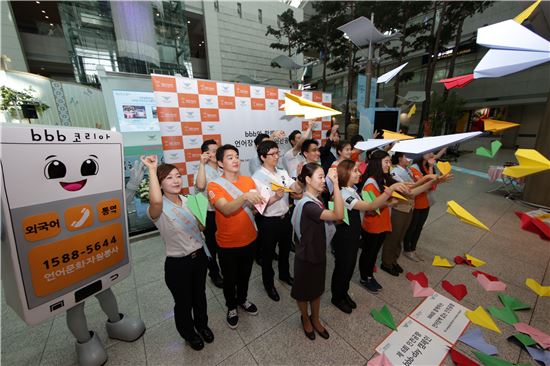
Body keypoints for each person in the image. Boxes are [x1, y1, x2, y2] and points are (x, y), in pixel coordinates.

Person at [142, 155, 213, 350]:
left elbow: (201, 228)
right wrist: (151, 169)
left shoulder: (190, 200)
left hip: (199, 258)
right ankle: (189, 333)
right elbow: (156, 201)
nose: (175, 181)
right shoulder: (158, 209)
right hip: (177, 264)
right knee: (183, 303)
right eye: (169, 178)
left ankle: (202, 325)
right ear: (160, 183)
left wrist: (201, 219)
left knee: (200, 295)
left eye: (177, 176)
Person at [331, 160, 410, 312]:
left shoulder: (352, 189)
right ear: (345, 173)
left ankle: (344, 293)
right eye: (355, 170)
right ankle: (337, 297)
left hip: (353, 235)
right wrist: (389, 190)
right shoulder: (342, 193)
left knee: (349, 268)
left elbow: (372, 205)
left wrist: (386, 203)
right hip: (344, 238)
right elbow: (370, 206)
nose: (359, 173)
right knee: (342, 268)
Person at [207, 145, 265, 329]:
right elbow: (225, 208)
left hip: (250, 239)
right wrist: (244, 197)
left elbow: (255, 209)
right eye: (230, 157)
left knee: (245, 275)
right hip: (227, 243)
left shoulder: (248, 181)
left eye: (237, 156)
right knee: (230, 279)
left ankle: (243, 300)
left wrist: (265, 202)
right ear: (220, 163)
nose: (235, 160)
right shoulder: (215, 185)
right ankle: (231, 306)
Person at [291, 163, 344, 340]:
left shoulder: (316, 200)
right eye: (320, 177)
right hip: (306, 256)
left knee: (316, 289)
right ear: (308, 179)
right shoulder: (308, 205)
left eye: (324, 177)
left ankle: (315, 318)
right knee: (303, 291)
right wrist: (336, 184)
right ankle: (305, 318)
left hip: (318, 252)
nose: (324, 181)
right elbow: (338, 215)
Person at [253, 140, 303, 302]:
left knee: (285, 249)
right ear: (262, 157)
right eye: (272, 154)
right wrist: (274, 198)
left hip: (285, 218)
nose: (276, 156)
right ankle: (269, 285)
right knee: (267, 255)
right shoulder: (257, 177)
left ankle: (284, 274)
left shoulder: (281, 172)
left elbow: (295, 188)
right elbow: (257, 206)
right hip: (268, 222)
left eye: (277, 153)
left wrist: (301, 178)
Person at [359, 150, 410, 294]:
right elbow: (370, 208)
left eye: (389, 161)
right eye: (386, 162)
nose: (389, 165)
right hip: (372, 226)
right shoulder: (370, 183)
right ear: (377, 163)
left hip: (382, 224)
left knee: (374, 253)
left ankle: (369, 275)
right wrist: (388, 203)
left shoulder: (383, 178)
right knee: (368, 254)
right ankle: (365, 278)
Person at [380, 153, 439, 276]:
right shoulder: (395, 171)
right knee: (393, 237)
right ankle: (386, 262)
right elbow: (407, 190)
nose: (409, 160)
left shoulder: (408, 170)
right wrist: (427, 180)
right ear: (400, 158)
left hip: (409, 207)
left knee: (401, 236)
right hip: (399, 208)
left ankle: (394, 260)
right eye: (407, 157)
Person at [402, 150, 453, 262]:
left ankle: (413, 249)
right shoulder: (414, 167)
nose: (431, 154)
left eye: (431, 152)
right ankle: (407, 249)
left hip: (426, 202)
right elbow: (424, 185)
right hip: (416, 203)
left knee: (419, 227)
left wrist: (430, 168)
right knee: (412, 227)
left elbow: (432, 187)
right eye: (428, 152)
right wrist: (431, 175)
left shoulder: (426, 167)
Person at [194, 139, 224, 288]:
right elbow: (200, 186)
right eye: (212, 150)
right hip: (209, 213)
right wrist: (201, 164)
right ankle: (214, 273)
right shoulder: (202, 170)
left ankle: (224, 269)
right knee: (211, 245)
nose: (215, 153)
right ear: (204, 154)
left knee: (223, 243)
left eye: (217, 150)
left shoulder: (222, 169)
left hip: (223, 212)